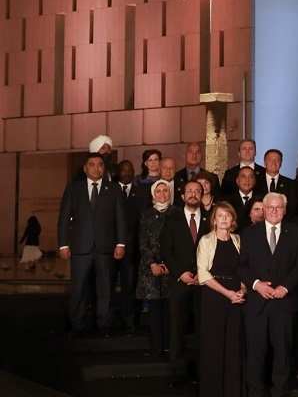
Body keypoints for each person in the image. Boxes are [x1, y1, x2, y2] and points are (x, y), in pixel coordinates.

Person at [238, 192, 298, 397]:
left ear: (284, 210)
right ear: (264, 210)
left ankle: (280, 392)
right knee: (256, 353)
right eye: (270, 208)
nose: (274, 211)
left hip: (284, 303)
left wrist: (285, 287)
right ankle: (256, 392)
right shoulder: (249, 233)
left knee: (283, 352)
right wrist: (256, 285)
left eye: (278, 208)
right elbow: (241, 267)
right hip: (256, 303)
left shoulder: (296, 231)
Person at [58, 152, 127, 335]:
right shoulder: (74, 189)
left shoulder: (113, 189)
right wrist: (63, 244)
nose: (96, 168)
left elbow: (120, 218)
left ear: (104, 168)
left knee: (106, 288)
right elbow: (64, 217)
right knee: (79, 287)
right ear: (85, 168)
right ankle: (77, 323)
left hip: (106, 247)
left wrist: (121, 243)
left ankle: (104, 324)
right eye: (92, 164)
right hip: (80, 248)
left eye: (100, 165)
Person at [161, 180, 208, 387]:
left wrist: (202, 274)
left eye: (197, 191)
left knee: (203, 329)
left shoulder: (210, 219)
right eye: (189, 190)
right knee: (177, 328)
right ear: (182, 196)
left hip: (205, 283)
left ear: (202, 195)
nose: (192, 194)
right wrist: (181, 273)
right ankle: (177, 373)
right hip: (179, 283)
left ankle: (202, 371)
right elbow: (166, 251)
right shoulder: (172, 219)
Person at [197, 201, 245, 397]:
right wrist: (228, 293)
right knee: (214, 347)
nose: (224, 218)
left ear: (233, 219)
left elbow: (246, 270)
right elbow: (203, 274)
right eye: (220, 215)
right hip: (215, 299)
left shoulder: (239, 240)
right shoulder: (206, 241)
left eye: (228, 215)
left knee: (234, 347)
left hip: (237, 300)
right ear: (214, 220)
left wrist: (243, 291)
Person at [136, 180, 173, 355]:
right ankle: (156, 347)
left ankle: (168, 346)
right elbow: (143, 242)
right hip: (151, 270)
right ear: (153, 194)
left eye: (165, 190)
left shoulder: (178, 213)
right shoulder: (146, 215)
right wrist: (153, 263)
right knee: (155, 310)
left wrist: (169, 264)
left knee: (169, 310)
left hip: (172, 270)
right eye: (158, 191)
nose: (162, 194)